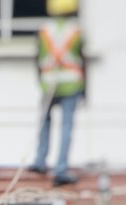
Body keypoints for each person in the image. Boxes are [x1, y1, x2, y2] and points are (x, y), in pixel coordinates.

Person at [28, 0, 86, 187]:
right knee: (66, 126)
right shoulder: (76, 31)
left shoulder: (44, 30)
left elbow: (37, 57)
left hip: (48, 83)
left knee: (44, 122)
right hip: (71, 84)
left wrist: (40, 80)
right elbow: (82, 59)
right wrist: (86, 89)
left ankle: (40, 160)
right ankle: (61, 169)